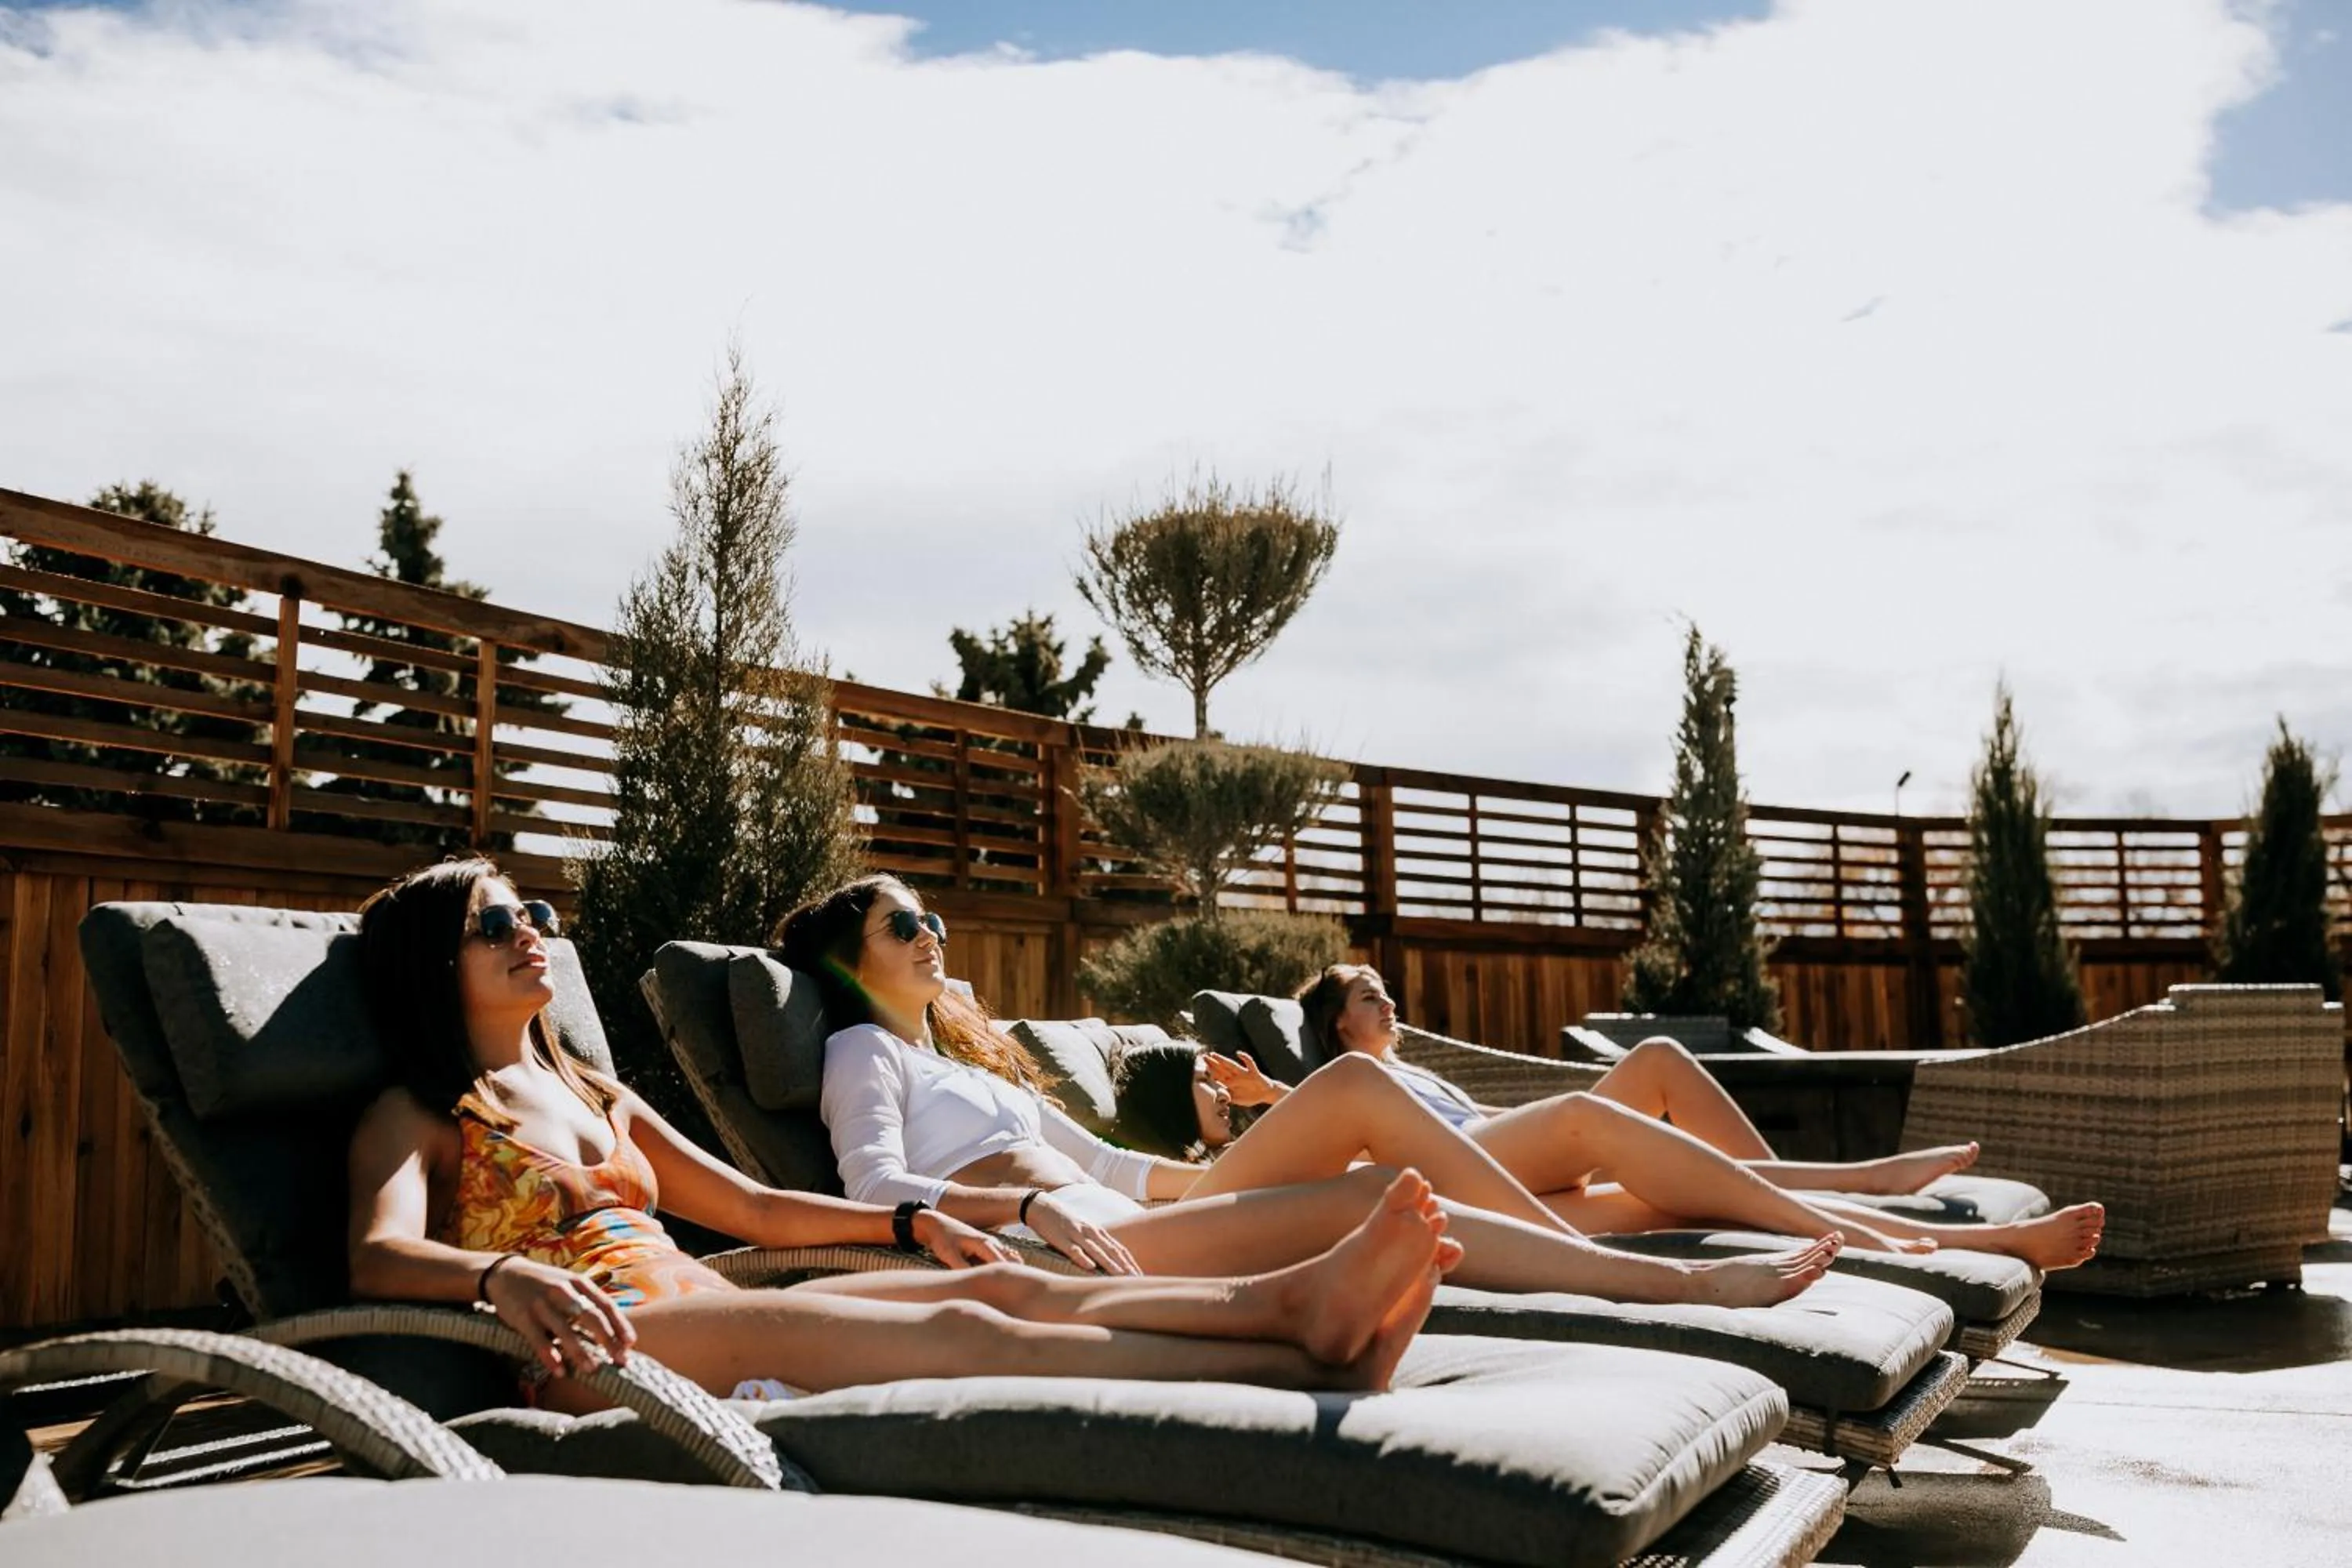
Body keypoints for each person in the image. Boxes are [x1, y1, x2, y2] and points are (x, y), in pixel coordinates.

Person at [346, 858, 1461, 1409]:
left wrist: (913, 1219)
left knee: (1002, 1292)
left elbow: (754, 1211)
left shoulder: (592, 1092)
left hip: (711, 1308)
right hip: (600, 1349)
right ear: (430, 969)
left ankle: (1293, 1315)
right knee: (979, 1346)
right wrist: (500, 1277)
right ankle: (1292, 1354)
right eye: (492, 922)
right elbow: (376, 1256)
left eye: (533, 913)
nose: (530, 930)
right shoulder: (424, 1112)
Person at [789, 875, 1845, 1308]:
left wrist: (1215, 1169)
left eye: (930, 920)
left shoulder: (973, 1063)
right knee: (1355, 1112)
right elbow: (875, 1189)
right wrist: (1025, 1207)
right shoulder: (861, 1059)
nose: (930, 935)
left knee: (1367, 1143)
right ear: (849, 959)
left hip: (1134, 1218)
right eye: (902, 926)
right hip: (1068, 1255)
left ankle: (1621, 1272)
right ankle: (1670, 1291)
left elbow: (1110, 1164)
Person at [1152, 964, 2103, 1272]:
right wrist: (1261, 1098)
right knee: (1599, 1104)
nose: (1389, 1001)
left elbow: (1473, 1114)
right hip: (1465, 1173)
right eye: (1370, 995)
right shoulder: (1337, 1084)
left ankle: (1919, 1222)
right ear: (1332, 1025)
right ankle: (1859, 1193)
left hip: (1493, 1151)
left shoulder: (1417, 1071)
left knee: (1664, 1127)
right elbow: (1315, 1134)